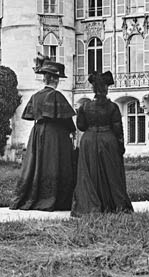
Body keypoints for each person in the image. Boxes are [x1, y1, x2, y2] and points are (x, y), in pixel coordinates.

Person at [10, 56, 77, 212]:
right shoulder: (56, 96)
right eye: (58, 78)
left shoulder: (35, 96)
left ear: (45, 79)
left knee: (37, 164)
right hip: (55, 135)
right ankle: (54, 198)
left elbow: (29, 115)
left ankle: (33, 197)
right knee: (55, 164)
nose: (58, 81)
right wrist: (73, 132)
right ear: (54, 79)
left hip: (37, 133)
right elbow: (66, 119)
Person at [72, 70, 134, 216]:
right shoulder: (113, 107)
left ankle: (90, 205)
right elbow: (118, 129)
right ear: (106, 88)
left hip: (89, 140)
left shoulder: (85, 107)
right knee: (111, 174)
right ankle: (113, 204)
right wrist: (120, 146)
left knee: (89, 174)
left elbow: (81, 126)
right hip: (108, 140)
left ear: (93, 89)